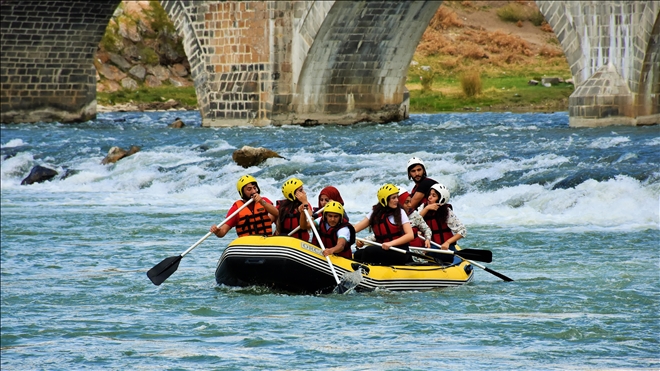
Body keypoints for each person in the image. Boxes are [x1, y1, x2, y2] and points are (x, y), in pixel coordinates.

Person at [353, 184, 414, 265]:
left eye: (397, 197)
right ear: (384, 200)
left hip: (399, 251)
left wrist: (390, 244)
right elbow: (356, 227)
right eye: (393, 198)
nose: (397, 200)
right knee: (358, 254)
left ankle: (365, 272)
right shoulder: (375, 213)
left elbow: (410, 235)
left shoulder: (400, 212)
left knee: (369, 251)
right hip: (384, 250)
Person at [210, 175, 278, 238]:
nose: (253, 191)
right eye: (249, 189)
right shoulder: (236, 208)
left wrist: (262, 202)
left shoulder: (264, 201)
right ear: (242, 192)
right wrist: (217, 231)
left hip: (266, 241)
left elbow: (277, 213)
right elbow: (222, 232)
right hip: (247, 245)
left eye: (254, 188)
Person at [419, 183, 466, 257]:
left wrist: (447, 242)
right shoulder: (423, 207)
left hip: (445, 249)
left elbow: (462, 231)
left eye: (434, 196)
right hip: (429, 248)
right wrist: (426, 209)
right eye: (430, 194)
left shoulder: (447, 211)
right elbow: (414, 222)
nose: (429, 198)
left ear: (441, 199)